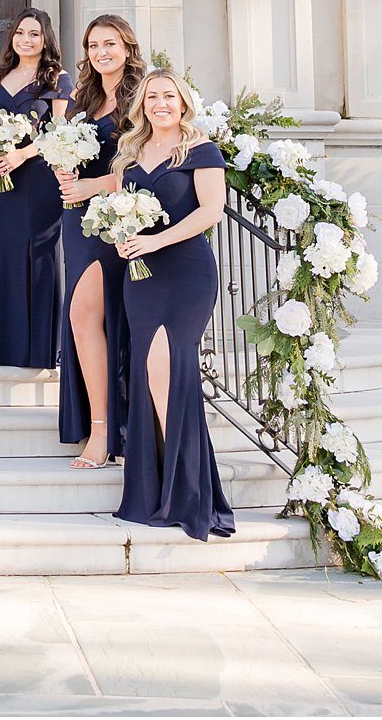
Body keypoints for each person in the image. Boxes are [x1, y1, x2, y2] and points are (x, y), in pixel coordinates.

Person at [112, 67, 235, 542]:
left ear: (183, 103)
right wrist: (123, 237)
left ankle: (186, 491)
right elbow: (118, 212)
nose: (160, 103)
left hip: (185, 270)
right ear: (141, 104)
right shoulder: (128, 157)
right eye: (151, 96)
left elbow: (210, 211)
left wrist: (158, 239)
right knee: (148, 372)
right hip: (140, 275)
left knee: (168, 366)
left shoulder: (201, 151)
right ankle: (156, 486)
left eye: (169, 96)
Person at [55, 12, 146, 467]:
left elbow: (146, 164)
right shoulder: (82, 97)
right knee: (88, 318)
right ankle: (104, 425)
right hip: (77, 219)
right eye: (93, 45)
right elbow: (69, 148)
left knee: (91, 316)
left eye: (110, 44)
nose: (101, 52)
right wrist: (63, 166)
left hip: (117, 218)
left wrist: (91, 187)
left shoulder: (142, 97)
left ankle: (109, 431)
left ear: (128, 48)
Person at [0, 9, 72, 370]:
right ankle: (6, 347)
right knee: (11, 253)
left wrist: (22, 155)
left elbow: (60, 132)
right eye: (21, 33)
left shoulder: (57, 80)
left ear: (46, 39)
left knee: (41, 253)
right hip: (8, 181)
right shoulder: (0, 78)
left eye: (34, 34)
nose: (26, 40)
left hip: (41, 176)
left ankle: (43, 349)